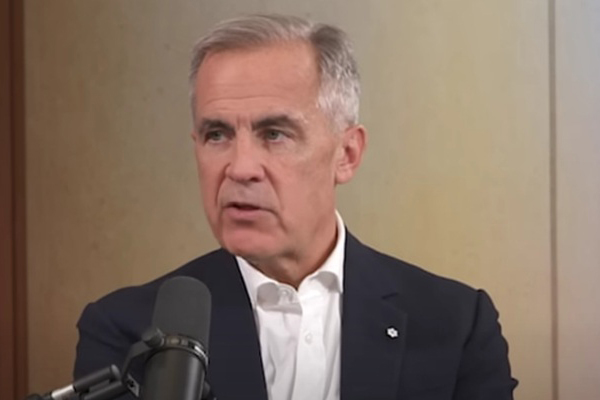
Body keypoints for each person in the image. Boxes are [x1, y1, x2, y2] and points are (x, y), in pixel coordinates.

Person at [74, 14, 518, 400]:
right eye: (217, 135)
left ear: (346, 154)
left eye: (274, 134)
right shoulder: (127, 332)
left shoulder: (456, 324)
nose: (240, 168)